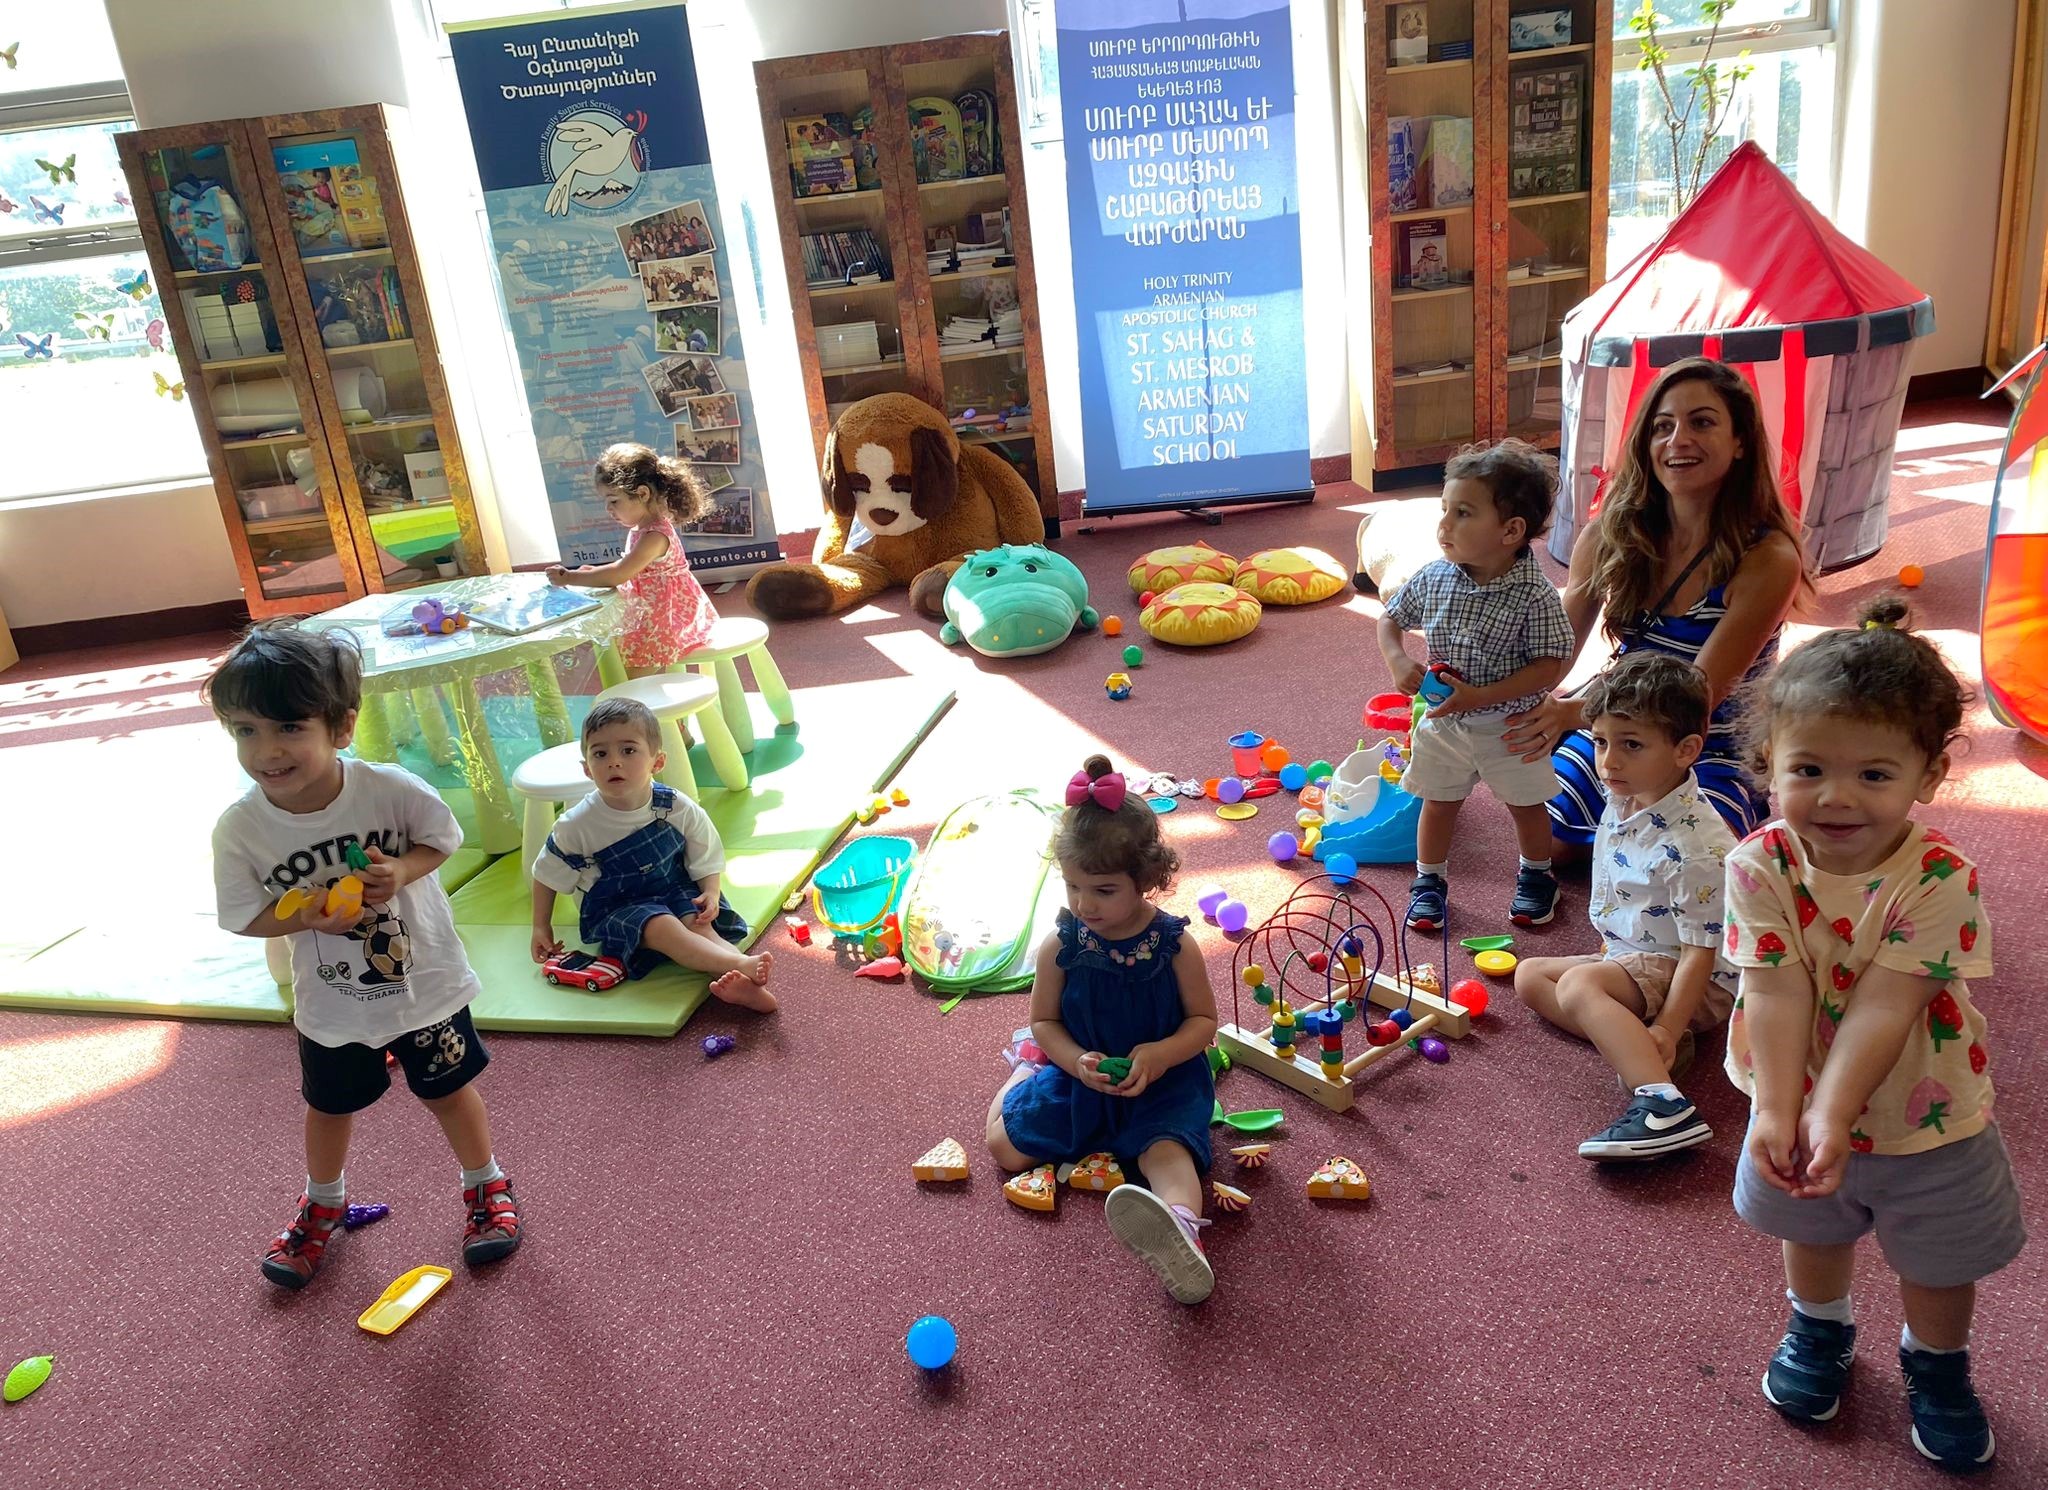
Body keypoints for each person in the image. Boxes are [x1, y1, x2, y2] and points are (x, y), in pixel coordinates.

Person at [1724, 598, 2023, 1471]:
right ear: (1767, 766)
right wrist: (1784, 1111)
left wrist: (1830, 1113)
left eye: (1875, 774)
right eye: (1809, 768)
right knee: (1810, 1226)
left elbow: (1887, 1007)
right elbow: (1773, 989)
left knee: (1937, 1255)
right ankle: (1820, 1329)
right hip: (1796, 1086)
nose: (1837, 797)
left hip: (1925, 1110)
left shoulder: (1940, 876)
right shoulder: (1756, 863)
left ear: (1927, 777)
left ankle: (1938, 1364)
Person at [207, 624, 522, 1289]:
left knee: (449, 1091)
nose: (268, 750)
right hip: (332, 999)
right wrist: (302, 913)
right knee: (328, 1107)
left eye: (289, 727)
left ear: (342, 726)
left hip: (424, 984)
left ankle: (485, 1184)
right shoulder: (242, 829)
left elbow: (442, 839)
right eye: (245, 730)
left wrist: (403, 871)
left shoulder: (389, 789)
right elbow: (243, 915)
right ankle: (324, 1200)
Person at [1502, 357, 1808, 860]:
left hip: (1706, 738)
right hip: (1616, 725)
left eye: (1702, 422)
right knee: (1548, 833)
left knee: (1693, 858)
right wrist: (1492, 692)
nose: (1678, 439)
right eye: (1663, 426)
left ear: (1740, 444)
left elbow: (1699, 694)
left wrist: (1570, 714)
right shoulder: (1607, 535)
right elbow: (1555, 650)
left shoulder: (1768, 559)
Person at [986, 756, 1221, 1304]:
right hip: (1081, 1075)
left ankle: (1182, 1231)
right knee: (1005, 1148)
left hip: (1162, 1083)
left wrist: (1162, 1054)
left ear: (1145, 880)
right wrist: (1070, 1062)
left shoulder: (1175, 945)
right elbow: (1043, 1021)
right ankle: (1020, 1077)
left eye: (1104, 890)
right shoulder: (1063, 945)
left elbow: (1204, 1024)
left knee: (1167, 1154)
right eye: (1072, 886)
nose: (1083, 903)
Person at [1514, 652, 1737, 1161]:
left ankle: (1663, 1104)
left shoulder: (1697, 846)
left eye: (1631, 745)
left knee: (1577, 985)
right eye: (1601, 741)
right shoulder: (1624, 796)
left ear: (1686, 751)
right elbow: (1624, 896)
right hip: (1638, 958)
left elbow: (1702, 953)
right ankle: (1644, 1049)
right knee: (1530, 977)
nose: (1608, 760)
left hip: (1694, 979)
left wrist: (1669, 1025)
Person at [1377, 438, 1577, 931]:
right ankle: (1428, 882)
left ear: (1511, 530)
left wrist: (1482, 696)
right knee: (1438, 803)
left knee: (1526, 806)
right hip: (1446, 722)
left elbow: (1551, 665)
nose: (1444, 525)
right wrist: (1398, 658)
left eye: (1463, 513)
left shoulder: (1535, 595)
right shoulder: (1435, 576)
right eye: (1444, 509)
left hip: (1511, 725)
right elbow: (1390, 619)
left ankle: (1536, 877)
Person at [529, 697, 776, 1013]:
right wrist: (540, 926)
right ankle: (740, 963)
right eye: (600, 753)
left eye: (628, 751)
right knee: (663, 926)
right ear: (587, 769)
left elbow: (705, 850)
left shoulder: (673, 805)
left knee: (698, 924)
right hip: (616, 909)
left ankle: (742, 985)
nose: (613, 762)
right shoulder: (576, 824)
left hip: (673, 889)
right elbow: (546, 874)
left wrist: (711, 892)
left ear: (657, 762)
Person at [547, 442, 718, 674]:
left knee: (636, 675)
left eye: (614, 500)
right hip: (652, 613)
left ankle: (642, 706)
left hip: (664, 619)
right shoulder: (643, 529)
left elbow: (620, 574)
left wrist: (571, 577)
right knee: (630, 662)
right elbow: (630, 566)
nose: (608, 508)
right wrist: (593, 572)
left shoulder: (655, 536)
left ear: (642, 494)